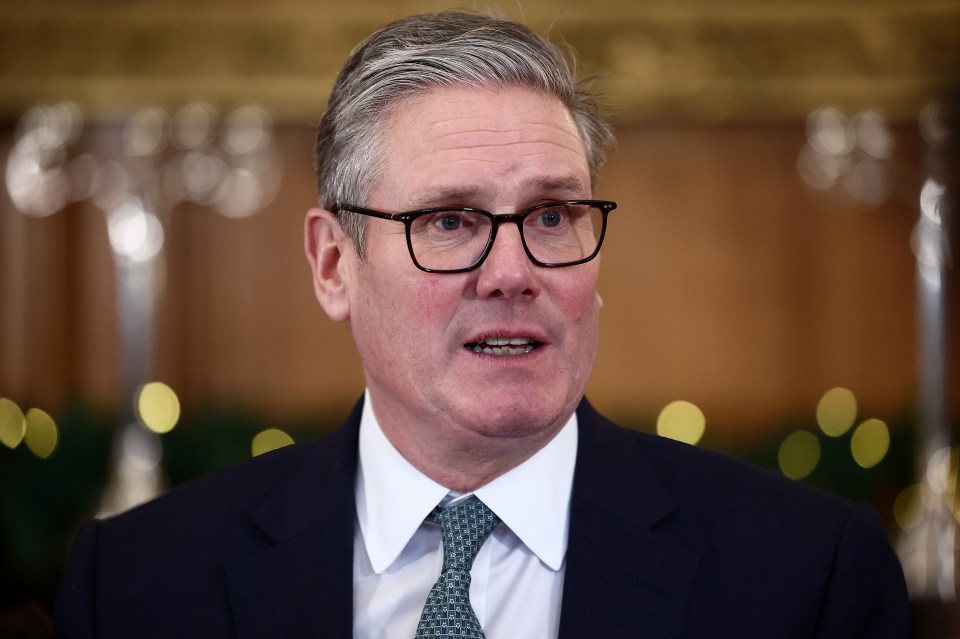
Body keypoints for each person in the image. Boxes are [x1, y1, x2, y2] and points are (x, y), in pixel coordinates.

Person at [55, 11, 909, 638]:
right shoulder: (139, 583)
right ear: (331, 265)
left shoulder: (808, 576)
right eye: (451, 221)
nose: (513, 273)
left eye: (551, 216)